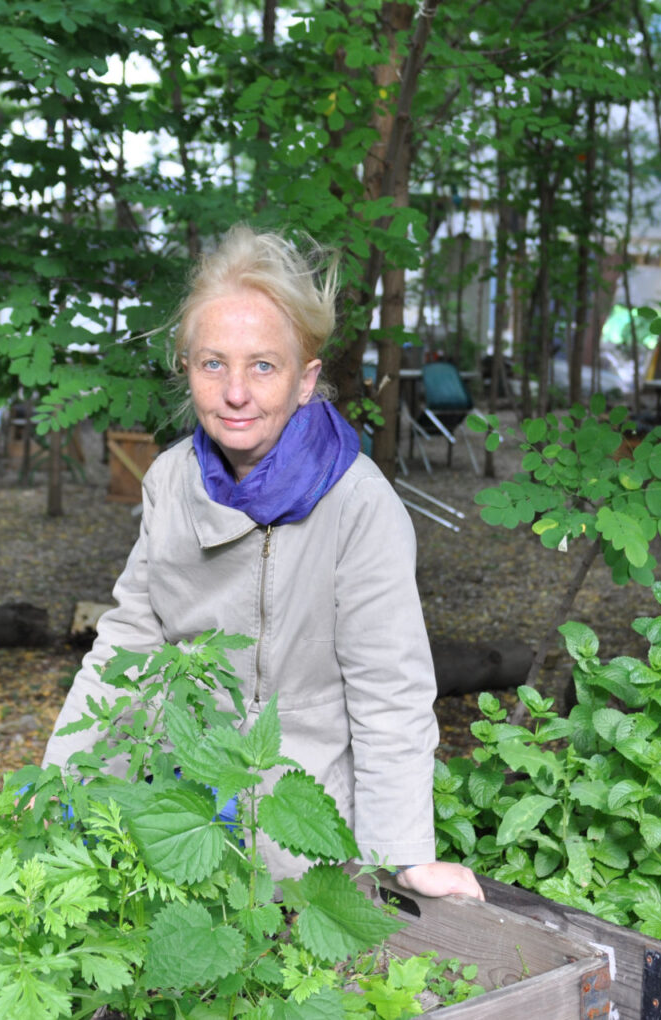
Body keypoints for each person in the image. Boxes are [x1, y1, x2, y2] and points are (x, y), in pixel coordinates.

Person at [42, 225, 482, 901]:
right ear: (186, 369)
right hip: (183, 819)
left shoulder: (358, 503)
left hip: (308, 833)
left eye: (263, 366)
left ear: (306, 381)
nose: (236, 392)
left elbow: (388, 689)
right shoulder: (168, 483)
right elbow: (125, 646)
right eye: (213, 364)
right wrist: (59, 782)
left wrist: (402, 852)